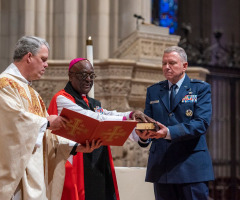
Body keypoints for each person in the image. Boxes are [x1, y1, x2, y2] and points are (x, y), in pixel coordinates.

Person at [0, 36, 100, 200]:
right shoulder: (5, 85)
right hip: (16, 178)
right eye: (43, 59)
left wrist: (76, 147)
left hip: (34, 174)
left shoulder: (32, 92)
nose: (46, 64)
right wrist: (47, 122)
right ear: (29, 57)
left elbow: (46, 136)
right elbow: (13, 124)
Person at [48, 58, 151, 200]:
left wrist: (135, 122)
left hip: (98, 165)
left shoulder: (93, 103)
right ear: (71, 76)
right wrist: (127, 118)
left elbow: (108, 115)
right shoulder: (62, 99)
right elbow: (92, 118)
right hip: (75, 167)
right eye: (83, 75)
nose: (88, 79)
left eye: (91, 75)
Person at [136, 46, 214, 200]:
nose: (166, 67)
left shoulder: (200, 89)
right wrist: (143, 136)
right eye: (164, 63)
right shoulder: (154, 91)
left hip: (190, 166)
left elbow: (201, 123)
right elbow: (149, 123)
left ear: (184, 66)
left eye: (172, 63)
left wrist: (169, 132)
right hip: (162, 167)